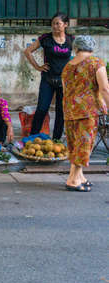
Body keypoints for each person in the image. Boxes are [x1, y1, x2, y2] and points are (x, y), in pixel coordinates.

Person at [61, 36, 109, 192]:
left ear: (76, 48)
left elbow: (65, 89)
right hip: (87, 111)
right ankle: (73, 180)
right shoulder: (96, 63)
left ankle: (79, 176)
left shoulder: (68, 66)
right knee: (84, 145)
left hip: (69, 110)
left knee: (75, 144)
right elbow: (104, 89)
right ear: (92, 47)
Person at [24, 12, 74, 140]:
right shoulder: (45, 38)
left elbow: (79, 56)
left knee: (61, 111)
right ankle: (32, 137)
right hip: (48, 79)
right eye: (53, 24)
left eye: (58, 24)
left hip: (64, 81)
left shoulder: (71, 39)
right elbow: (28, 51)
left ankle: (56, 140)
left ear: (65, 25)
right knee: (42, 108)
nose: (55, 26)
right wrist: (37, 67)